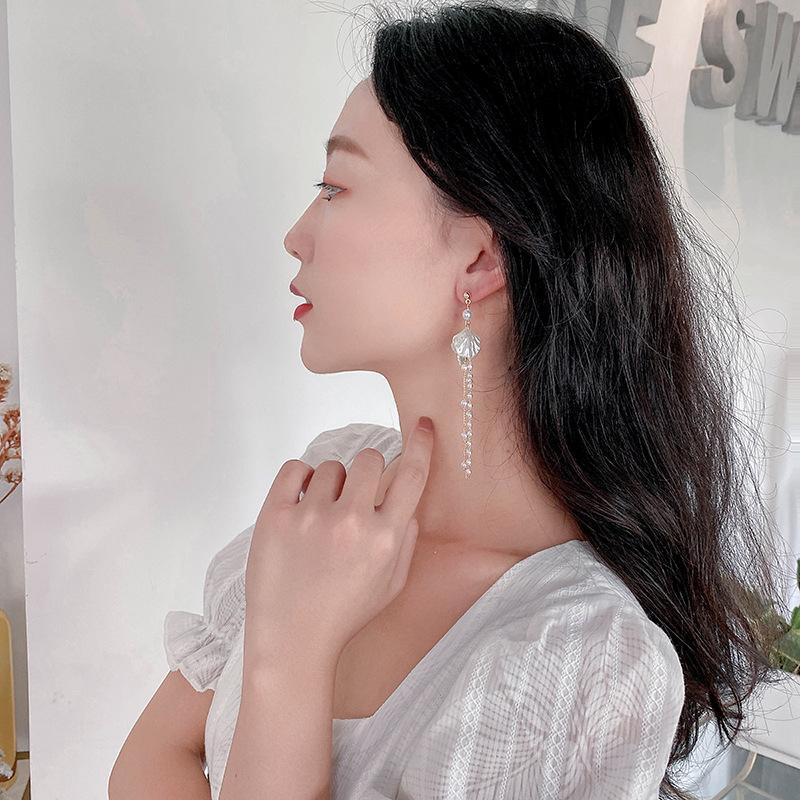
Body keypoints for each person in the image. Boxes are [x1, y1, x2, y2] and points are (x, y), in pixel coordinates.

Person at [109, 3, 789, 799]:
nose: (297, 234)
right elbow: (150, 758)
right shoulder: (338, 483)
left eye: (334, 187)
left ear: (479, 260)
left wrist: (289, 657)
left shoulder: (584, 657)